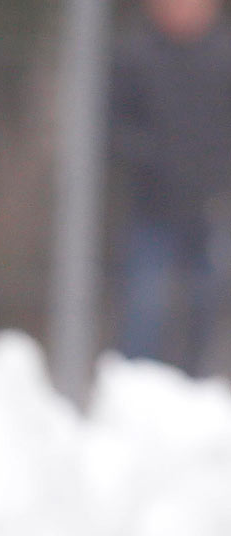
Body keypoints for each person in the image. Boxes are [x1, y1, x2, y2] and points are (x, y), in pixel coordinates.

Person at [110, 0, 231, 375]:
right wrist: (158, 162)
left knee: (205, 304)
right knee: (144, 307)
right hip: (153, 206)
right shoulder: (134, 56)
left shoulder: (224, 58)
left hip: (212, 208)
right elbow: (114, 128)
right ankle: (130, 391)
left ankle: (195, 390)